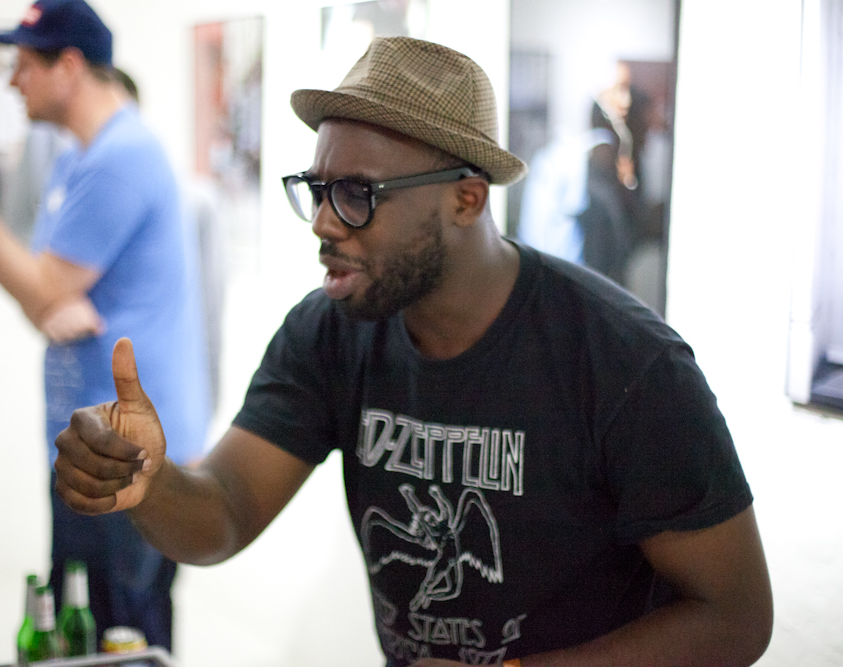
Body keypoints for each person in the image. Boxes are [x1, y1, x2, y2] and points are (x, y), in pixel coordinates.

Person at [52, 37, 773, 667]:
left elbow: (735, 618)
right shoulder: (331, 330)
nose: (324, 222)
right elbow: (226, 512)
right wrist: (149, 480)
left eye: (357, 193)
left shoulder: (623, 362)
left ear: (466, 199)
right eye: (317, 190)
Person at [0, 0, 210, 651]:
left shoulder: (120, 156)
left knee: (122, 639)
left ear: (68, 67)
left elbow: (40, 284)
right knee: (79, 628)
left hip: (127, 452)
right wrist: (44, 295)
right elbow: (37, 291)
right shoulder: (79, 158)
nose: (13, 82)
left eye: (23, 65)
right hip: (87, 441)